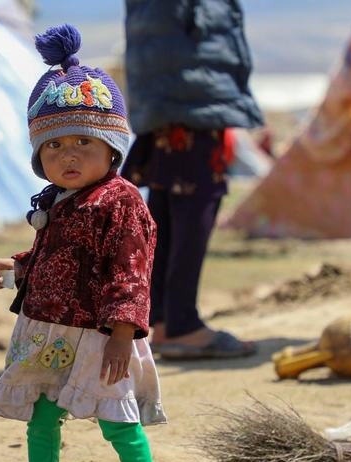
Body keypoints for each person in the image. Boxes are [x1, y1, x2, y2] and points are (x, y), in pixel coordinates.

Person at [0, 25, 171, 462]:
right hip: (48, 330)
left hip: (101, 335)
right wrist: (15, 269)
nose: (69, 154)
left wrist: (122, 334)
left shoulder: (120, 202)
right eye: (55, 144)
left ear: (112, 148)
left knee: (114, 415)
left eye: (85, 140)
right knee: (41, 412)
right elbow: (59, 259)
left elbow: (129, 272)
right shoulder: (60, 201)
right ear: (39, 156)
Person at [122, 0, 264, 359]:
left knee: (168, 207)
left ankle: (168, 320)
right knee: (194, 204)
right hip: (193, 100)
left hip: (167, 100)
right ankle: (183, 324)